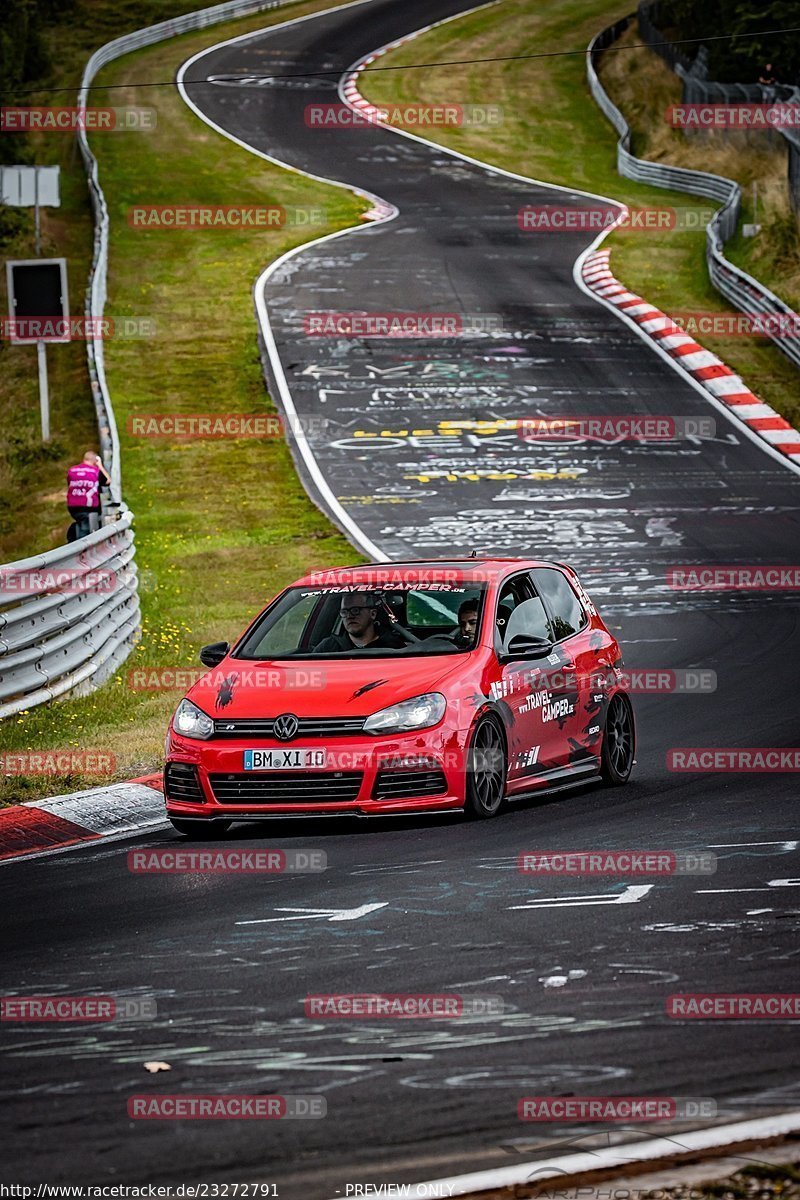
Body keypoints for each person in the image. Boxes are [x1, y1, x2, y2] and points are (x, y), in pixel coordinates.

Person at [313, 592, 407, 652]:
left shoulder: (393, 647)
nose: (349, 616)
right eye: (344, 612)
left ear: (373, 614)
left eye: (355, 610)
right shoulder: (327, 648)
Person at [66, 451, 111, 540]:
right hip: (89, 507)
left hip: (73, 506)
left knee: (81, 522)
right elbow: (108, 481)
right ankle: (81, 547)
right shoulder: (95, 471)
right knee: (86, 530)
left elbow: (70, 484)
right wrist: (100, 466)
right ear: (95, 461)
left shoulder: (72, 470)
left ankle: (74, 538)